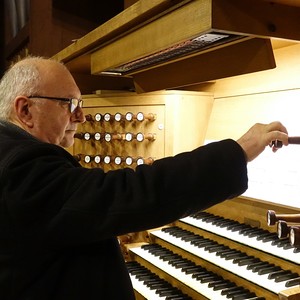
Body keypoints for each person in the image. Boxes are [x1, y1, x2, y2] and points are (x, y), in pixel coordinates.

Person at [0, 56, 289, 300]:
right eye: (71, 104)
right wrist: (238, 152)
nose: (81, 117)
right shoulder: (20, 166)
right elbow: (123, 194)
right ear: (26, 110)